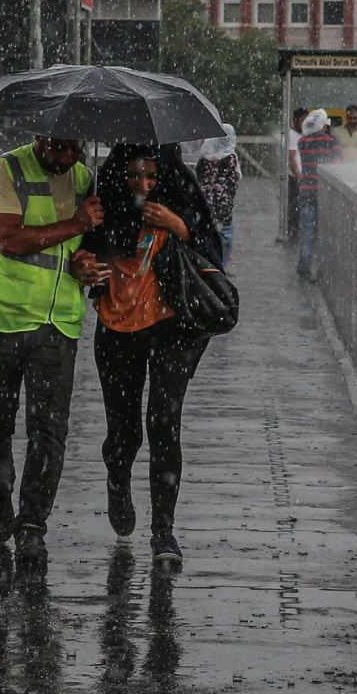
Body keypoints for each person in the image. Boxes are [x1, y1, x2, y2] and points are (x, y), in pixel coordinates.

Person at [0, 135, 110, 565]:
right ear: (40, 137)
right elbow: (9, 239)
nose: (66, 158)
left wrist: (85, 261)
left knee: (49, 430)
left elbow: (84, 249)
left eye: (74, 149)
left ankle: (32, 523)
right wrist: (77, 225)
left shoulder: (84, 179)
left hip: (56, 321)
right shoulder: (3, 171)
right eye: (58, 148)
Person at [81, 143, 223, 564]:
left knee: (164, 423)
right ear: (119, 176)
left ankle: (164, 531)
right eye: (134, 176)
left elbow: (213, 254)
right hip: (118, 331)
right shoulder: (105, 208)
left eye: (151, 177)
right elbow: (83, 252)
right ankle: (118, 475)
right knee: (125, 430)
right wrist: (87, 264)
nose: (143, 185)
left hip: (172, 330)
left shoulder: (182, 202)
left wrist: (179, 225)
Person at [295, 109, 342, 278]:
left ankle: (304, 264)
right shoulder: (332, 141)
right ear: (324, 124)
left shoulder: (302, 142)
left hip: (307, 190)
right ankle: (324, 268)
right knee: (327, 230)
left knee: (307, 229)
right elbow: (338, 163)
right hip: (325, 192)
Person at [195, 124, 241, 266]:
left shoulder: (204, 158)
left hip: (204, 202)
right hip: (223, 203)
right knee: (225, 234)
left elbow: (199, 177)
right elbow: (233, 182)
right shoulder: (230, 158)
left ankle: (207, 262)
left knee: (206, 231)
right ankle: (220, 265)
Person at [287, 108, 306, 239]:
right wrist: (298, 174)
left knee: (299, 203)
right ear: (297, 121)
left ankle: (297, 228)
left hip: (302, 175)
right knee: (295, 204)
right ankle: (293, 228)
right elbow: (291, 157)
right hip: (295, 176)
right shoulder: (292, 135)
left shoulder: (301, 135)